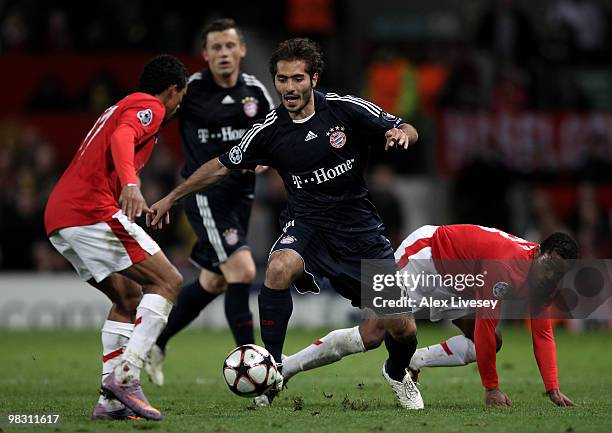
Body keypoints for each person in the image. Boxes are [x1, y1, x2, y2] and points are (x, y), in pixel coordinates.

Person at [148, 38, 424, 410]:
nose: (289, 88)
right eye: (282, 80)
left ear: (313, 78)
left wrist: (400, 134)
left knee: (401, 327)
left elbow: (405, 126)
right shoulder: (269, 129)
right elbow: (219, 165)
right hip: (307, 225)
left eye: (297, 79)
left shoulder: (344, 109)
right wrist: (172, 196)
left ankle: (396, 371)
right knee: (278, 268)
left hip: (361, 233)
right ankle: (271, 372)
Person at [274, 224, 578, 408]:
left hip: (459, 280)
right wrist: (491, 387)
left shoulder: (545, 281)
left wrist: (552, 387)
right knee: (371, 335)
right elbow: (485, 324)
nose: (550, 276)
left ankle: (414, 360)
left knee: (493, 341)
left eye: (558, 273)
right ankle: (286, 367)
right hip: (425, 258)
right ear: (538, 252)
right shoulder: (505, 265)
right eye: (549, 266)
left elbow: (543, 333)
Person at [44, 55, 188, 421]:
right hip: (88, 211)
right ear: (172, 90)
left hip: (60, 218)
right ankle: (126, 375)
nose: (177, 106)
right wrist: (131, 183)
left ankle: (109, 402)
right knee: (169, 280)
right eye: (180, 98)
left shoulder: (120, 106)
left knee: (126, 296)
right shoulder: (149, 105)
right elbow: (124, 138)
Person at [144, 18, 275, 387]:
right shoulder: (192, 90)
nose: (223, 53)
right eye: (216, 47)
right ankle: (253, 371)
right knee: (243, 271)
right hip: (204, 196)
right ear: (205, 54)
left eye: (229, 46)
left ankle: (157, 341)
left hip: (242, 196)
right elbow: (154, 120)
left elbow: (274, 133)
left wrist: (269, 156)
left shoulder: (255, 92)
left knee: (215, 281)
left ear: (242, 50)